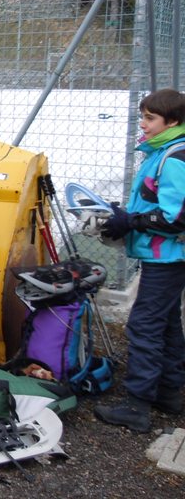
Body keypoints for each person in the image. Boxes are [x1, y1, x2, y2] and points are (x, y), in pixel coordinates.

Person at [94, 88, 185, 433]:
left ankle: (137, 405)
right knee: (166, 322)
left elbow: (176, 217)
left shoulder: (174, 157)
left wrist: (132, 221)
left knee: (145, 325)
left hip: (167, 256)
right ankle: (168, 392)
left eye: (150, 118)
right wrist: (127, 213)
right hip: (167, 256)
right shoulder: (165, 151)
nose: (143, 125)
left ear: (172, 121)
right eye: (143, 117)